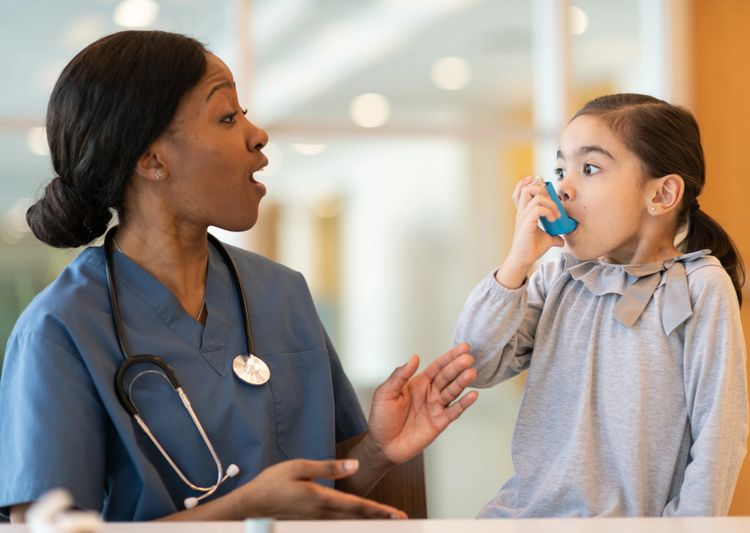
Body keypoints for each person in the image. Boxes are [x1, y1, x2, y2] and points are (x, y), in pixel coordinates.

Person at [0, 30, 479, 522]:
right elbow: (40, 528)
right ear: (152, 160)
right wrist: (244, 512)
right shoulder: (60, 329)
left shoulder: (281, 292)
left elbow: (322, 492)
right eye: (228, 117)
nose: (257, 134)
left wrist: (378, 448)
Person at [454, 93, 748, 517]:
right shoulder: (560, 273)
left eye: (589, 168)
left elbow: (719, 434)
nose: (563, 188)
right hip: (522, 518)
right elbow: (476, 363)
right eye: (560, 169)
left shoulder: (700, 287)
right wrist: (517, 262)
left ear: (662, 195)